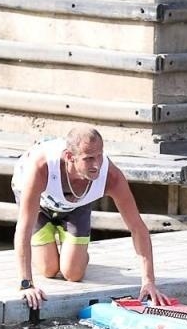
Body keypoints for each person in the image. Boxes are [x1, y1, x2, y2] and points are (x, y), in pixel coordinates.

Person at [11, 124, 173, 309]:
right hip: (41, 204)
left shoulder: (110, 176)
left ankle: (75, 253)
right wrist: (26, 284)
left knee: (73, 273)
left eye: (99, 156)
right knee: (49, 269)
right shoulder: (42, 168)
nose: (96, 165)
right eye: (88, 159)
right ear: (70, 157)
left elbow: (138, 228)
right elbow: (23, 227)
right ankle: (50, 244)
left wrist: (148, 281)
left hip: (77, 203)